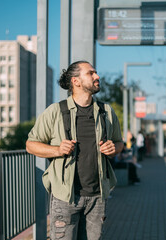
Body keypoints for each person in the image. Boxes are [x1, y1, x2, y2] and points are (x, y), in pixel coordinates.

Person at [26, 60, 124, 240]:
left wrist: (114, 148)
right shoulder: (56, 111)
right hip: (65, 197)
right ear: (75, 81)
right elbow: (31, 145)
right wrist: (57, 150)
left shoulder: (106, 112)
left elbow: (119, 143)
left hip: (97, 196)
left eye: (96, 73)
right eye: (91, 73)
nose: (97, 76)